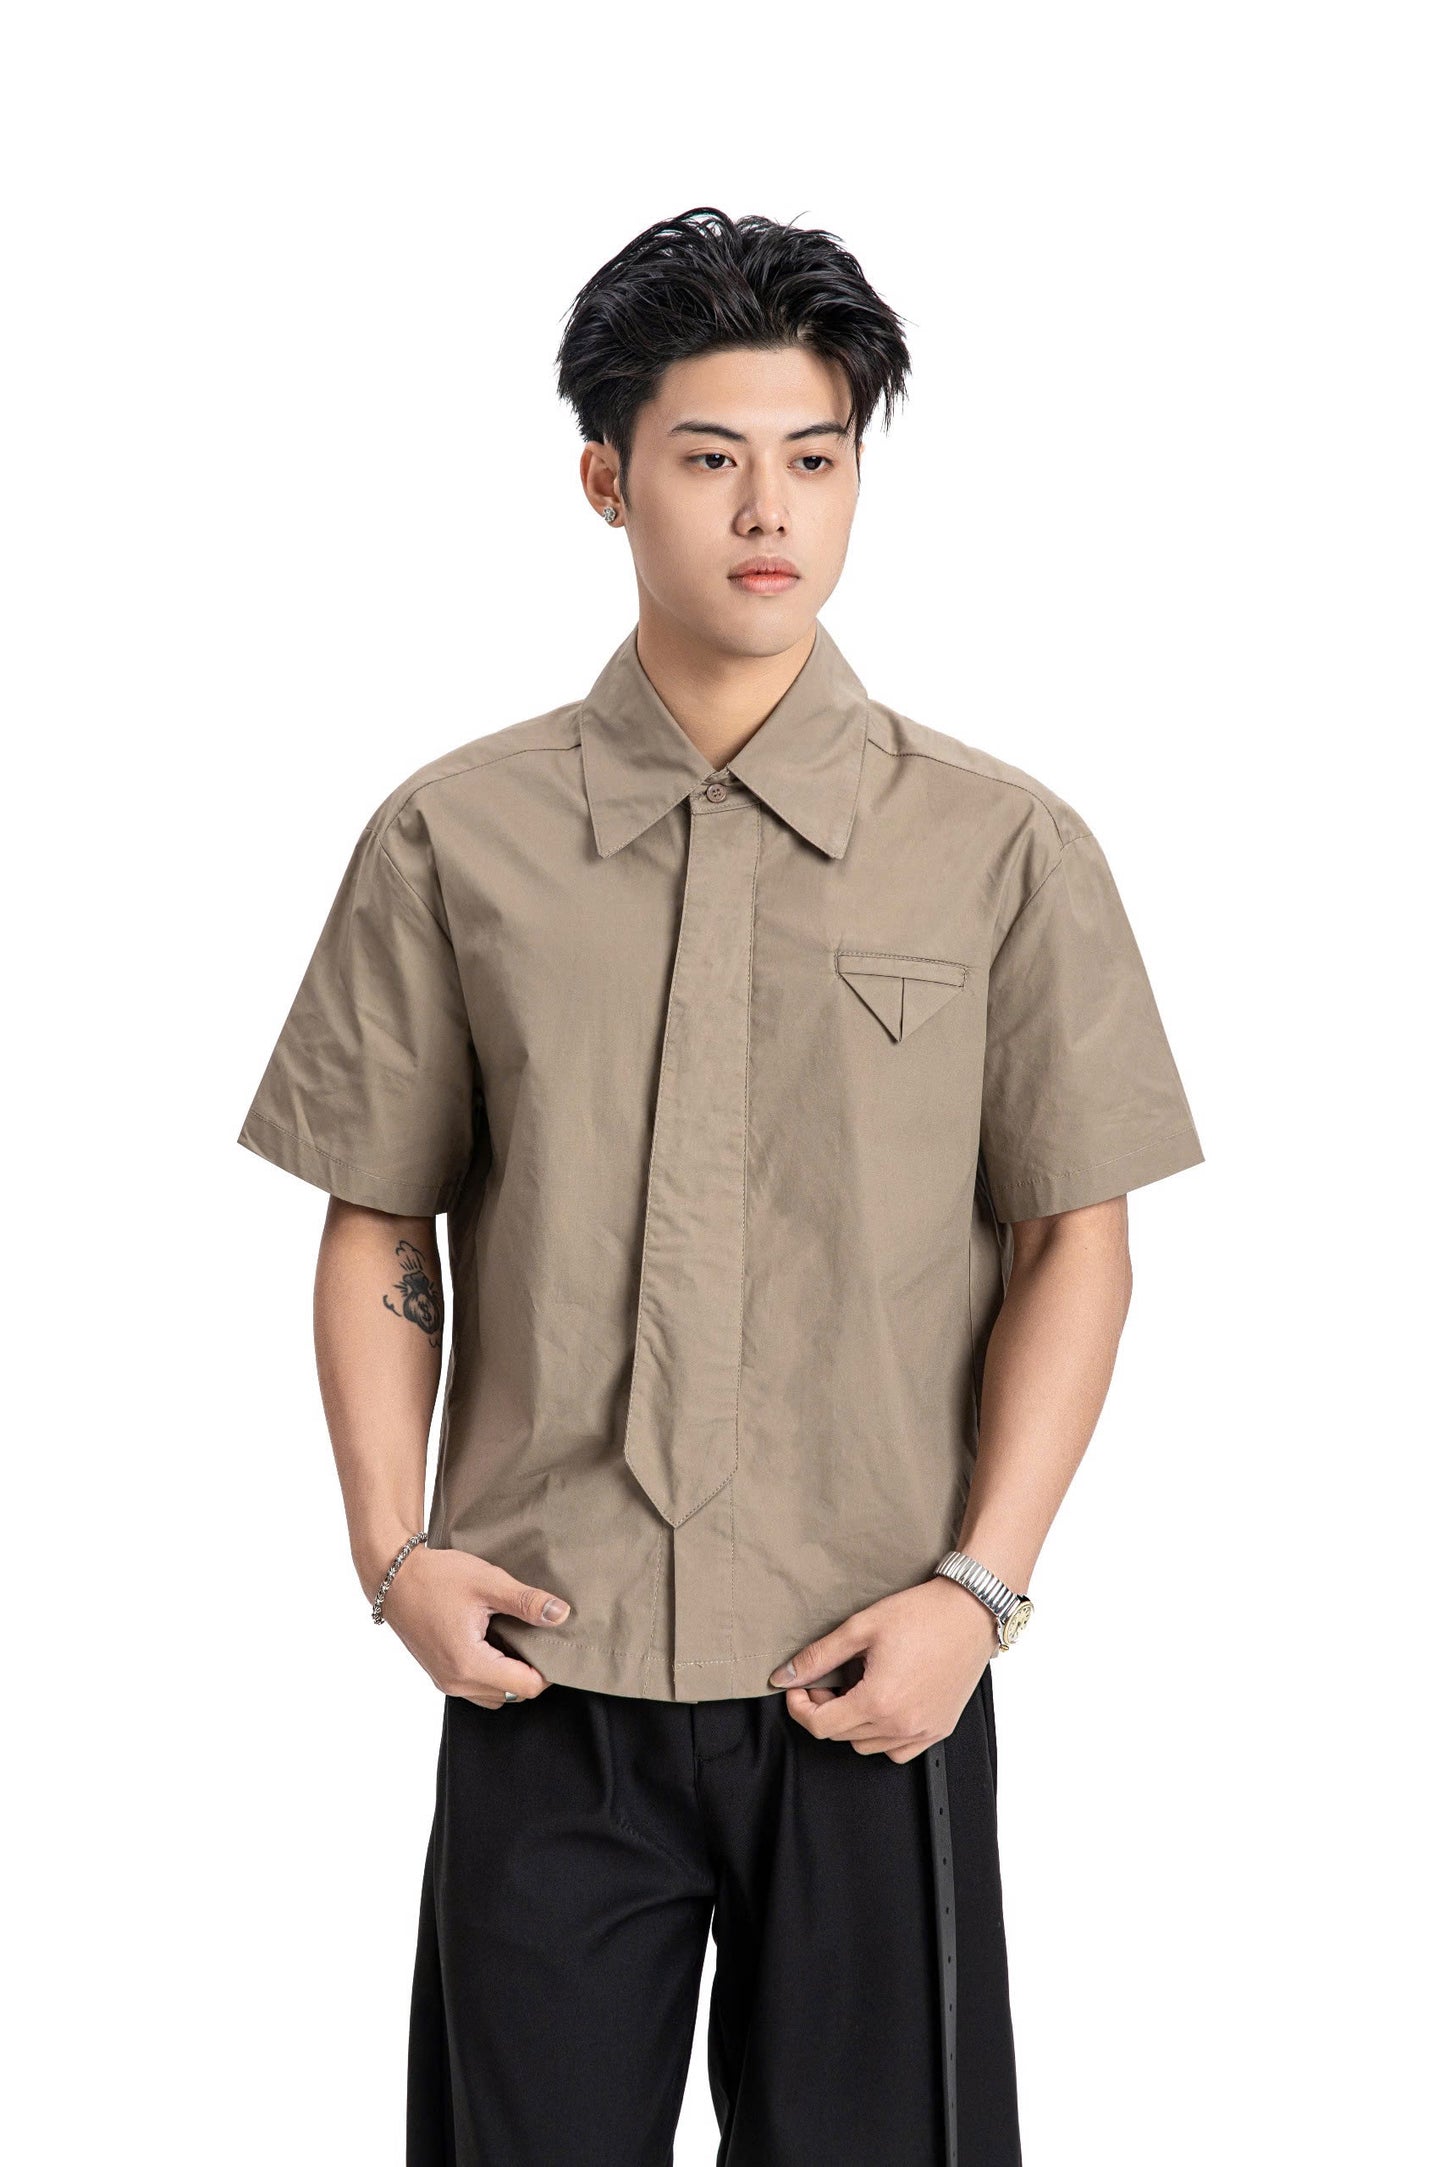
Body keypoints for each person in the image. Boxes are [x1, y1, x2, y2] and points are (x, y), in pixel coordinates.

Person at [238, 206, 1204, 2166]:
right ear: (606, 480)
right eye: (709, 458)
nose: (770, 512)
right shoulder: (455, 839)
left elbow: (1075, 1237)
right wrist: (390, 1556)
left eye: (815, 458)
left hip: (870, 1669)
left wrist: (979, 1591)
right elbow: (377, 1215)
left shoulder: (1001, 848)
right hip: (543, 1669)